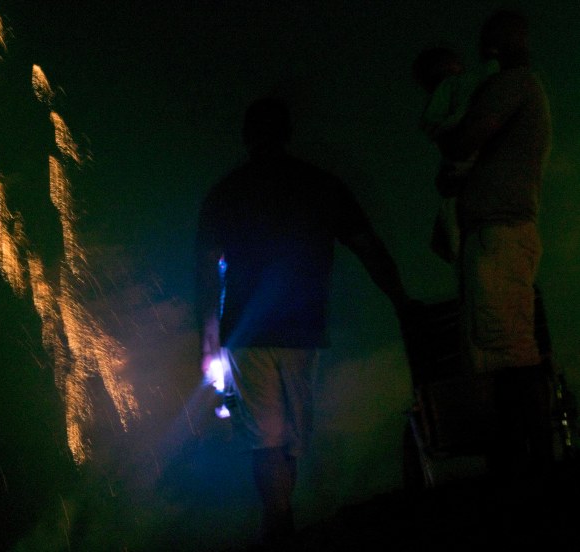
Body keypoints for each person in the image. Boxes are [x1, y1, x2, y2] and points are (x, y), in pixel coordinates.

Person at [194, 97, 415, 547]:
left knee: (265, 439)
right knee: (291, 438)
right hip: (303, 329)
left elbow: (204, 267)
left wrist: (209, 333)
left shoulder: (226, 191)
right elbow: (367, 246)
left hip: (246, 334)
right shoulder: (321, 184)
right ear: (288, 133)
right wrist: (400, 299)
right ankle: (281, 519)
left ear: (246, 136)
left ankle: (278, 520)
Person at [434, 10, 554, 480]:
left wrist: (446, 115)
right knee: (504, 352)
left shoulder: (513, 85)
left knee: (509, 353)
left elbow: (462, 144)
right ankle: (527, 464)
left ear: (497, 45)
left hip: (499, 234)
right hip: (498, 234)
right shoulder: (523, 89)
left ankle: (529, 469)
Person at [412, 45, 500, 263]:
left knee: (465, 249)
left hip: (467, 182)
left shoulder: (451, 91)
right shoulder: (469, 87)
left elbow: (436, 128)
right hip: (477, 181)